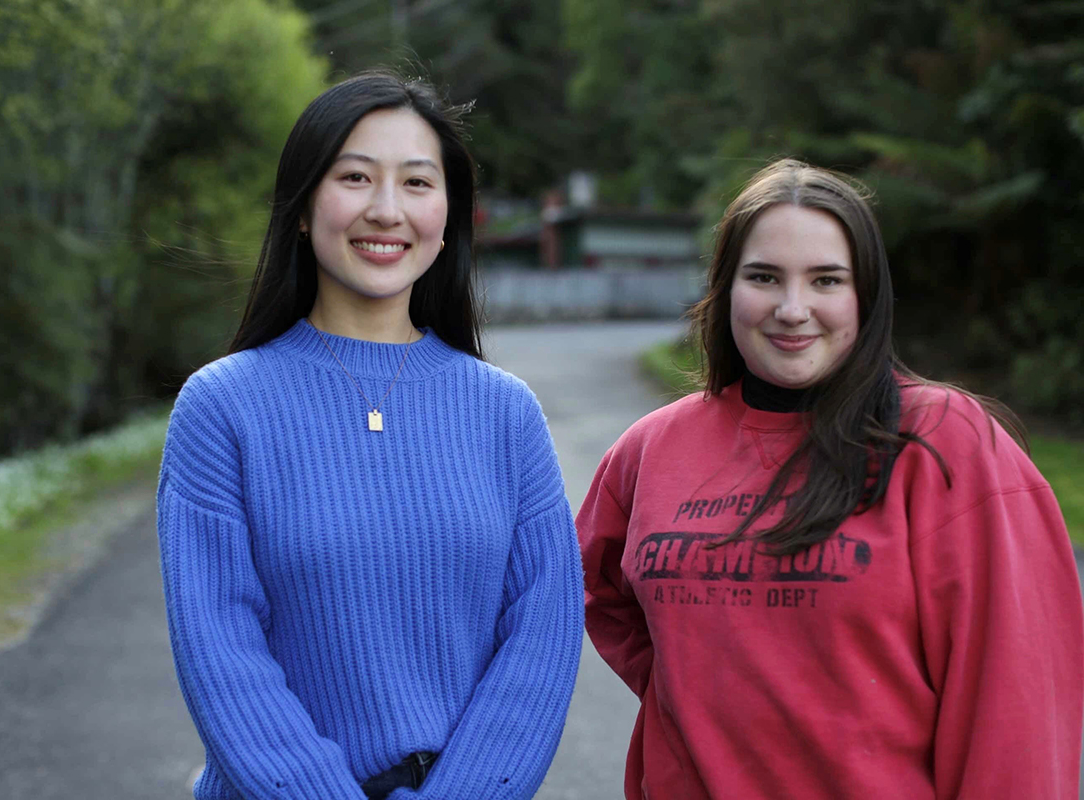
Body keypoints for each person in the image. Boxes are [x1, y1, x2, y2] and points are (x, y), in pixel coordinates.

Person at [576, 158, 1083, 799]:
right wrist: (694, 695)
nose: (793, 309)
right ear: (725, 288)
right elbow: (595, 592)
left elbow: (1015, 701)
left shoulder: (943, 442)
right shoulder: (650, 449)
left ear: (865, 296)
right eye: (764, 277)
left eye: (826, 280)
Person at [156, 71, 583, 800]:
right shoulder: (222, 408)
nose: (386, 211)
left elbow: (540, 641)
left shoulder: (506, 415)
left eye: (417, 184)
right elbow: (221, 650)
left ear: (448, 217)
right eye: (355, 177)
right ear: (301, 207)